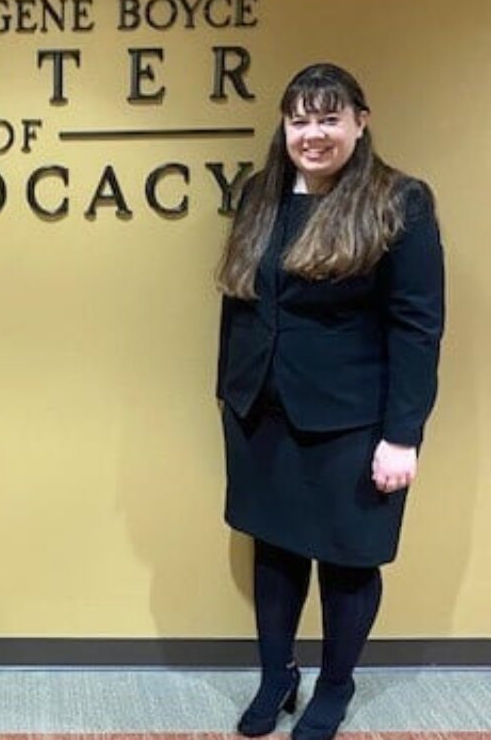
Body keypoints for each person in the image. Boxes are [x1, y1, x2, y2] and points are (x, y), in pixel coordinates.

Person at [215, 64, 444, 740]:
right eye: (299, 119)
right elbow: (239, 304)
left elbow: (417, 325)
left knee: (347, 560)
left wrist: (403, 435)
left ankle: (335, 687)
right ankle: (276, 676)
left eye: (327, 118)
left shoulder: (399, 201)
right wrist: (228, 390)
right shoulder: (260, 193)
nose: (312, 133)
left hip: (353, 419)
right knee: (277, 552)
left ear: (359, 121)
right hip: (263, 409)